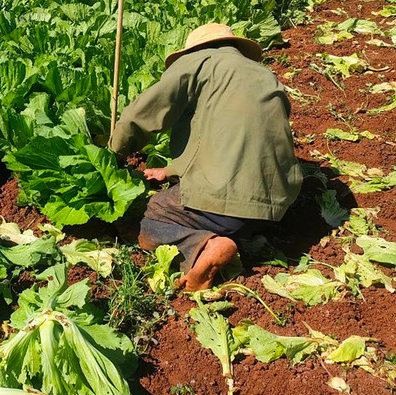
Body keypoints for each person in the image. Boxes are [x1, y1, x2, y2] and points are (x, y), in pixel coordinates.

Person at [109, 23, 302, 291]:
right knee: (233, 213)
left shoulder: (197, 62)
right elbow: (240, 138)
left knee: (135, 215)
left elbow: (139, 116)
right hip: (276, 207)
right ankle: (236, 233)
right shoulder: (264, 75)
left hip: (225, 208)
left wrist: (111, 156)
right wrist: (171, 170)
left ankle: (201, 245)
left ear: (195, 49)